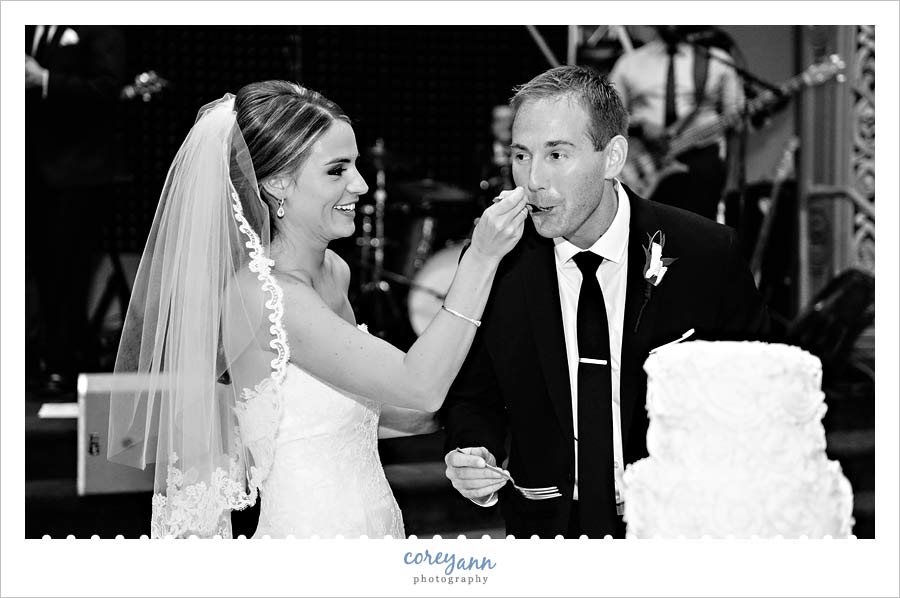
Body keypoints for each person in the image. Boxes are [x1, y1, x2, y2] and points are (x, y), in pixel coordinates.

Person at [107, 81, 528, 538]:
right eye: (336, 170)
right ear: (278, 183)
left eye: (356, 165)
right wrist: (482, 258)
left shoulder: (334, 271)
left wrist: (476, 428)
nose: (360, 184)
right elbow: (419, 386)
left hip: (375, 526)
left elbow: (387, 411)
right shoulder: (270, 297)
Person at [441, 65, 769, 539]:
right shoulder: (495, 260)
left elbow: (756, 392)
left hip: (680, 528)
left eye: (556, 154)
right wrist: (472, 452)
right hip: (545, 529)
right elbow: (475, 392)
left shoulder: (705, 254)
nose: (532, 179)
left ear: (612, 156)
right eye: (521, 155)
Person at [25, 25, 127, 394]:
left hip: (79, 172)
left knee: (68, 269)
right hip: (31, 170)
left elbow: (108, 86)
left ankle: (64, 364)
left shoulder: (95, 23)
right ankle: (42, 356)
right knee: (40, 270)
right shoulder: (27, 24)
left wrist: (46, 79)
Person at [608, 26, 745, 221]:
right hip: (647, 160)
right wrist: (641, 126)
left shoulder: (716, 61)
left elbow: (736, 116)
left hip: (700, 160)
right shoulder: (630, 63)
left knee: (696, 235)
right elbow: (606, 115)